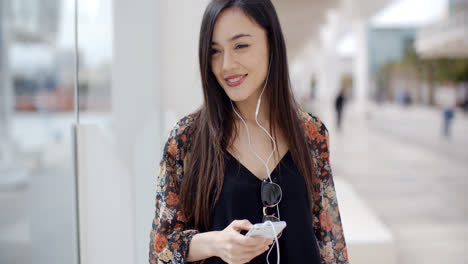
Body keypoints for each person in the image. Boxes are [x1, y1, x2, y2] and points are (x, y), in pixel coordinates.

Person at [149, 1, 348, 263]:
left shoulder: (311, 133)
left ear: (271, 44)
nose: (226, 65)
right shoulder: (186, 138)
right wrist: (215, 243)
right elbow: (160, 249)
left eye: (240, 45)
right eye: (214, 51)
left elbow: (330, 243)